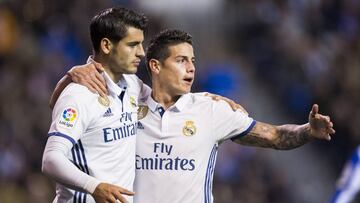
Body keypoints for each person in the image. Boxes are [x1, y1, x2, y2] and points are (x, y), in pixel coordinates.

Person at [51, 29, 335, 203]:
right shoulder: (126, 101)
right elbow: (66, 104)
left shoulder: (212, 110)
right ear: (155, 66)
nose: (191, 68)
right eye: (181, 60)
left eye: (193, 61)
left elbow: (274, 136)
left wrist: (307, 131)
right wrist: (71, 75)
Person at [41, 7, 150, 203]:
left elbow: (165, 102)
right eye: (133, 45)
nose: (141, 53)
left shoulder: (133, 84)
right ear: (107, 46)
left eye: (141, 44)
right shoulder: (80, 94)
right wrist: (94, 186)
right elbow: (50, 159)